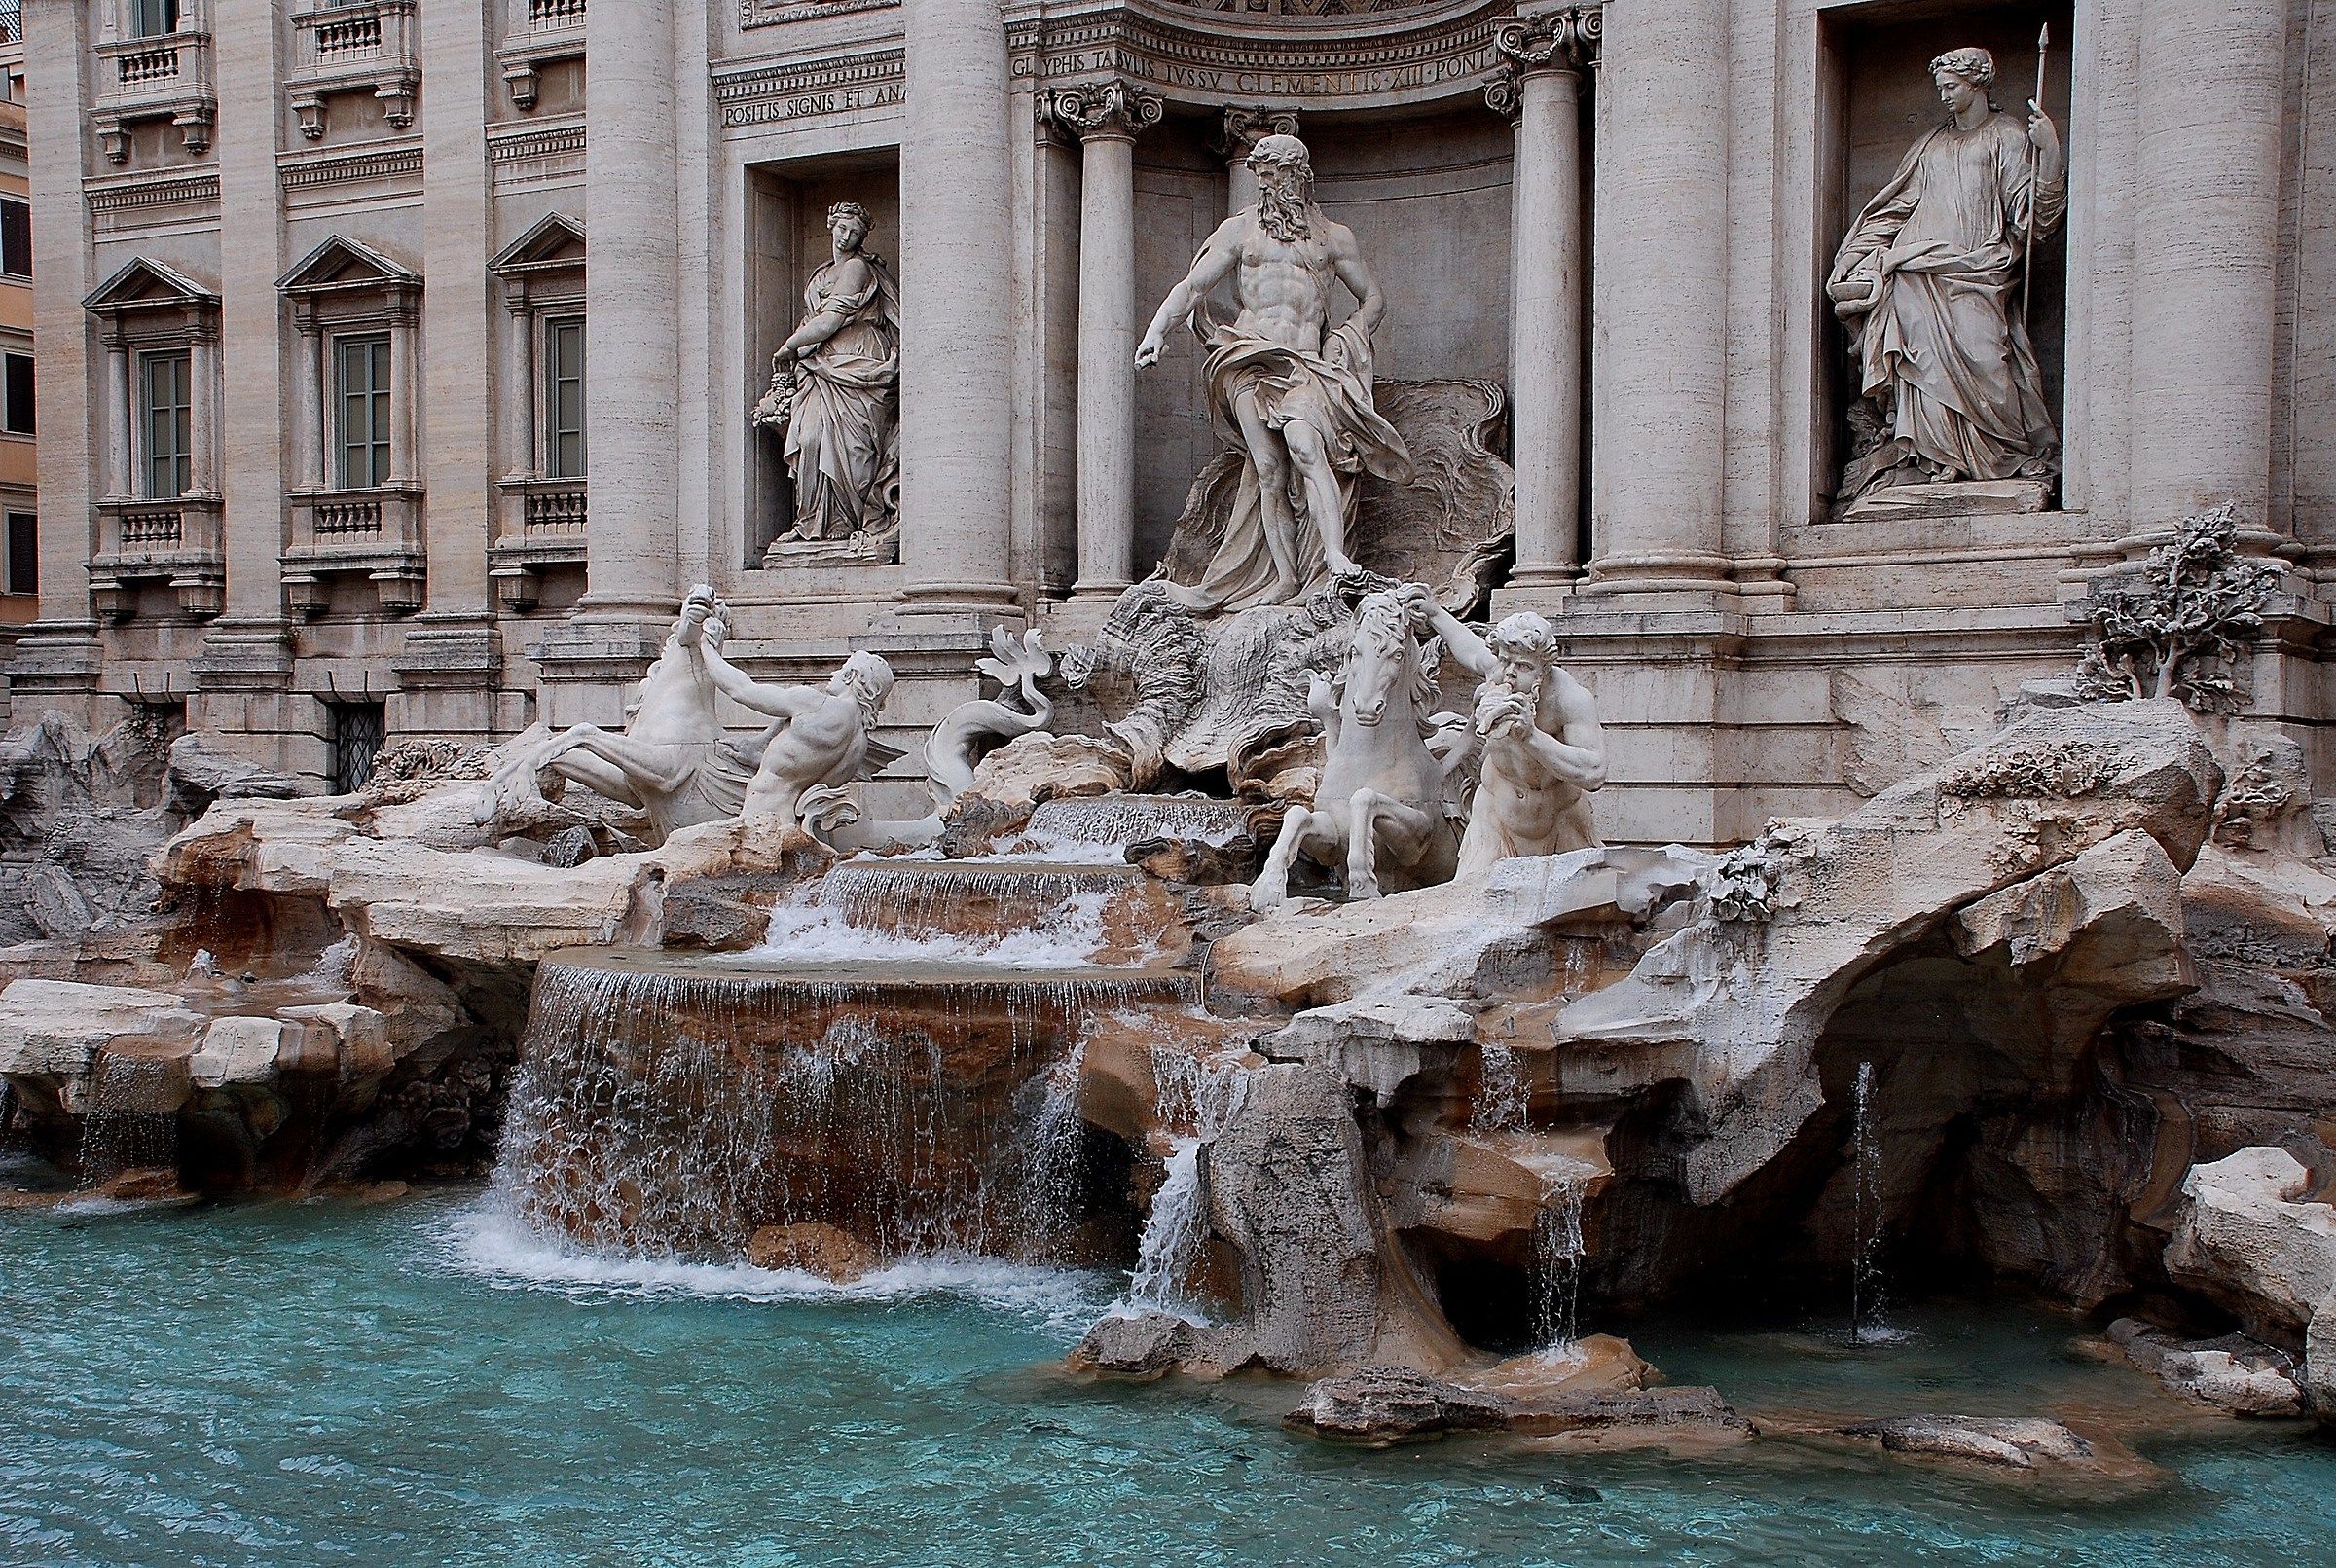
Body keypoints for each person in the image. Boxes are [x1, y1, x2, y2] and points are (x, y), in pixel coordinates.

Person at [1135, 132, 1412, 612]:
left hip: (1306, 363)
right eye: (1263, 178)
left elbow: (1374, 299)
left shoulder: (1334, 238)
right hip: (1247, 356)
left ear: (1301, 177)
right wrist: (1155, 333)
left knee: (1307, 449)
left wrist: (1344, 338)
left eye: (1279, 176)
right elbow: (1192, 286)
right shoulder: (1238, 232)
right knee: (1266, 467)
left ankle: (1335, 561)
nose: (1270, 187)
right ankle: (1284, 578)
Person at [1827, 46, 2065, 503]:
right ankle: (1935, 458)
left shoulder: (2008, 136)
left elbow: (2032, 217)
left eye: (1951, 87)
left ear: (1977, 85)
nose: (1944, 97)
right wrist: (1859, 255)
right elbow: (1894, 207)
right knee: (1918, 357)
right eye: (1940, 88)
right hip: (1917, 268)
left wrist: (2049, 151)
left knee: (1985, 356)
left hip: (1978, 267)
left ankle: (2000, 454)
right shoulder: (1930, 145)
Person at [516, 586, 752, 843]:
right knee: (561, 753)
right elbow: (629, 790)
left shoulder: (706, 655)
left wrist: (583, 736)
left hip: (712, 853)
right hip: (678, 855)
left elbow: (664, 776)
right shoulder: (660, 682)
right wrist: (547, 755)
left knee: (583, 736)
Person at [1401, 586, 1605, 874]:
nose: (1509, 672)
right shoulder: (1499, 673)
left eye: (1522, 666)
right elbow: (1469, 647)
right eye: (1505, 660)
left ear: (1543, 671)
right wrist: (1435, 613)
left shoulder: (1569, 699)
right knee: (1467, 904)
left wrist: (1531, 737)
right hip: (1495, 820)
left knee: (1580, 916)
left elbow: (1594, 772)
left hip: (1561, 824)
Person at [765, 201, 900, 544]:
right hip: (820, 365)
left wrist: (789, 346)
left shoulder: (857, 268)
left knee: (854, 451)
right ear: (830, 225)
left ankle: (844, 524)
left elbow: (831, 320)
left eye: (855, 233)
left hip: (856, 359)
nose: (847, 237)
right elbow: (815, 321)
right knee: (811, 438)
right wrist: (802, 349)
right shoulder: (821, 273)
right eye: (842, 229)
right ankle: (813, 522)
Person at [698, 644, 897, 830]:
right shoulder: (859, 745)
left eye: (841, 669)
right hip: (791, 825)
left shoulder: (815, 704)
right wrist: (757, 759)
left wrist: (706, 647)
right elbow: (800, 775)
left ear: (850, 676)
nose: (833, 673)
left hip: (759, 822)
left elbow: (740, 689)